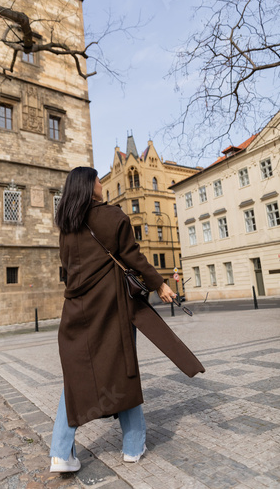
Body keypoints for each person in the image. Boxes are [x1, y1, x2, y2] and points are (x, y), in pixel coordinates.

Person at [50, 167, 205, 473]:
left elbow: (66, 269)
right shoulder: (114, 217)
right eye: (97, 179)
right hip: (111, 306)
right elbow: (134, 257)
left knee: (76, 377)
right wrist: (159, 283)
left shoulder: (66, 226)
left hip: (76, 311)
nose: (100, 183)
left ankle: (60, 454)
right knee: (123, 369)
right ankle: (133, 447)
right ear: (87, 186)